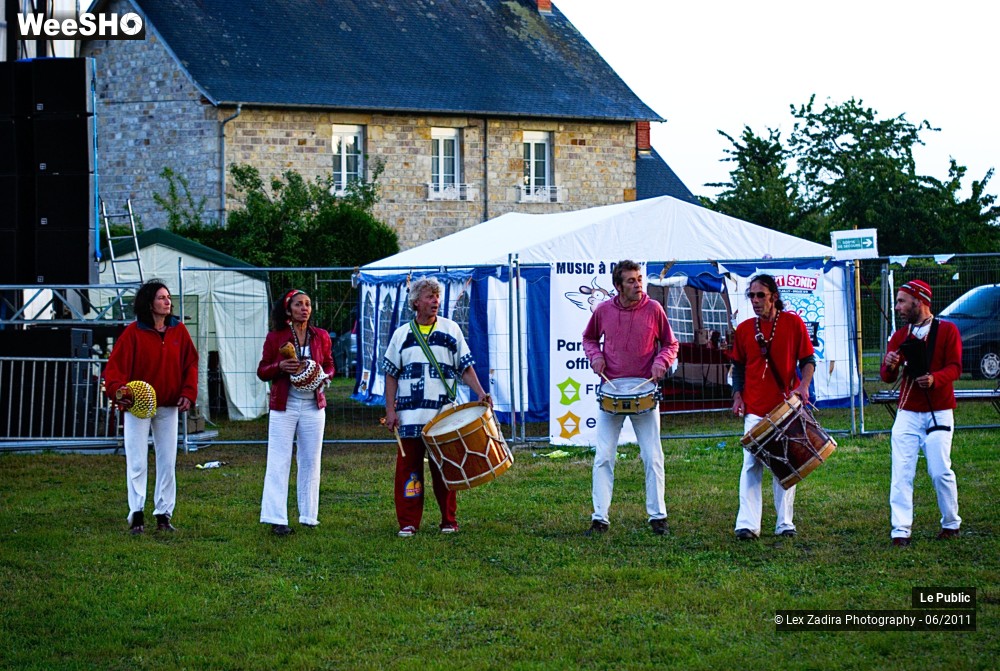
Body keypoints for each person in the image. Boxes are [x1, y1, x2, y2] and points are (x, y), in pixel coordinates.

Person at [381, 277, 491, 537]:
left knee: (446, 470)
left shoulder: (451, 330)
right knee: (409, 473)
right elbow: (390, 374)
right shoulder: (402, 335)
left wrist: (481, 393)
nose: (435, 301)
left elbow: (465, 367)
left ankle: (448, 520)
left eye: (437, 297)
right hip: (409, 418)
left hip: (443, 417)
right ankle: (408, 522)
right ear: (416, 302)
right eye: (430, 297)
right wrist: (390, 410)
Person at [582, 260, 679, 536]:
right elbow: (589, 338)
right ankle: (600, 518)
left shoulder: (654, 309)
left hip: (644, 391)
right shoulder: (603, 311)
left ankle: (658, 516)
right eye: (631, 281)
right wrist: (596, 356)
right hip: (611, 390)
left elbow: (671, 343)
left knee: (652, 455)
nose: (638, 285)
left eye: (639, 279)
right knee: (603, 456)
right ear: (618, 286)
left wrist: (662, 360)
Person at [104, 280, 198, 534]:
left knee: (167, 461)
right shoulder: (133, 333)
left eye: (168, 297)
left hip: (168, 405)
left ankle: (164, 514)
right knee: (137, 461)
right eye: (161, 298)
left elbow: (191, 363)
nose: (167, 302)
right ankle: (136, 514)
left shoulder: (179, 331)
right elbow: (113, 371)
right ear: (149, 303)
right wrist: (120, 392)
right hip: (138, 406)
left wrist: (188, 392)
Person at [730, 274, 815, 540]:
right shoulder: (744, 329)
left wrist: (804, 386)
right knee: (751, 464)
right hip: (755, 406)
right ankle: (747, 524)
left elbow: (808, 359)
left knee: (786, 462)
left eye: (760, 295)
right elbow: (739, 367)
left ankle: (785, 523)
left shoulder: (792, 323)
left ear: (773, 297)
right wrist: (737, 396)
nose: (755, 301)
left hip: (784, 406)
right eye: (752, 296)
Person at [879, 279, 962, 547]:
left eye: (902, 301)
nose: (898, 306)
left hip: (939, 409)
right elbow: (886, 377)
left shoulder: (947, 331)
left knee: (939, 470)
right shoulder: (901, 336)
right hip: (907, 411)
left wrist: (935, 379)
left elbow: (955, 367)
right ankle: (900, 529)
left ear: (920, 301)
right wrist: (890, 364)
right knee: (902, 470)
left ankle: (951, 522)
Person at [257, 289, 335, 536]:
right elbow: (262, 371)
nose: (305, 308)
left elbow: (330, 364)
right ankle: (276, 518)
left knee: (311, 460)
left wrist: (324, 377)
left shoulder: (320, 336)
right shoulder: (275, 337)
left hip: (313, 405)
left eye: (308, 304)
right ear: (288, 309)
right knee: (278, 460)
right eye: (299, 304)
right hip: (284, 404)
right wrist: (279, 366)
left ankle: (309, 515)